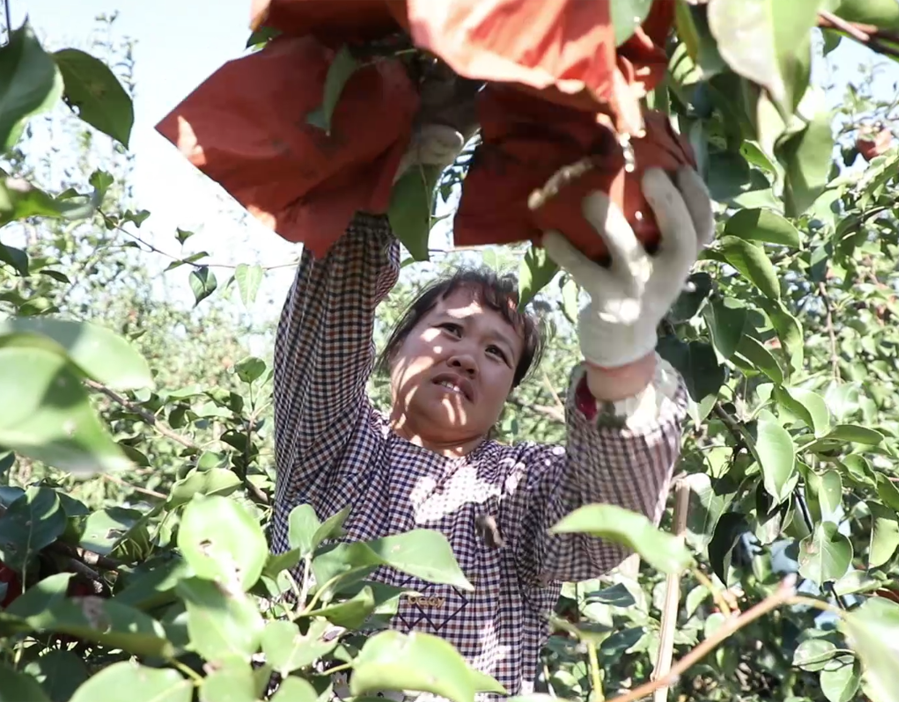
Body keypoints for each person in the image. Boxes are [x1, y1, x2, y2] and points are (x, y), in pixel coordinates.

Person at [269, 126, 714, 697]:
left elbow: (604, 527)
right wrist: (380, 189)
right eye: (450, 329)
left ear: (508, 393)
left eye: (496, 351)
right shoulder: (338, 444)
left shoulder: (519, 483)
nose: (466, 355)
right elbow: (323, 333)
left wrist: (622, 362)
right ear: (394, 350)